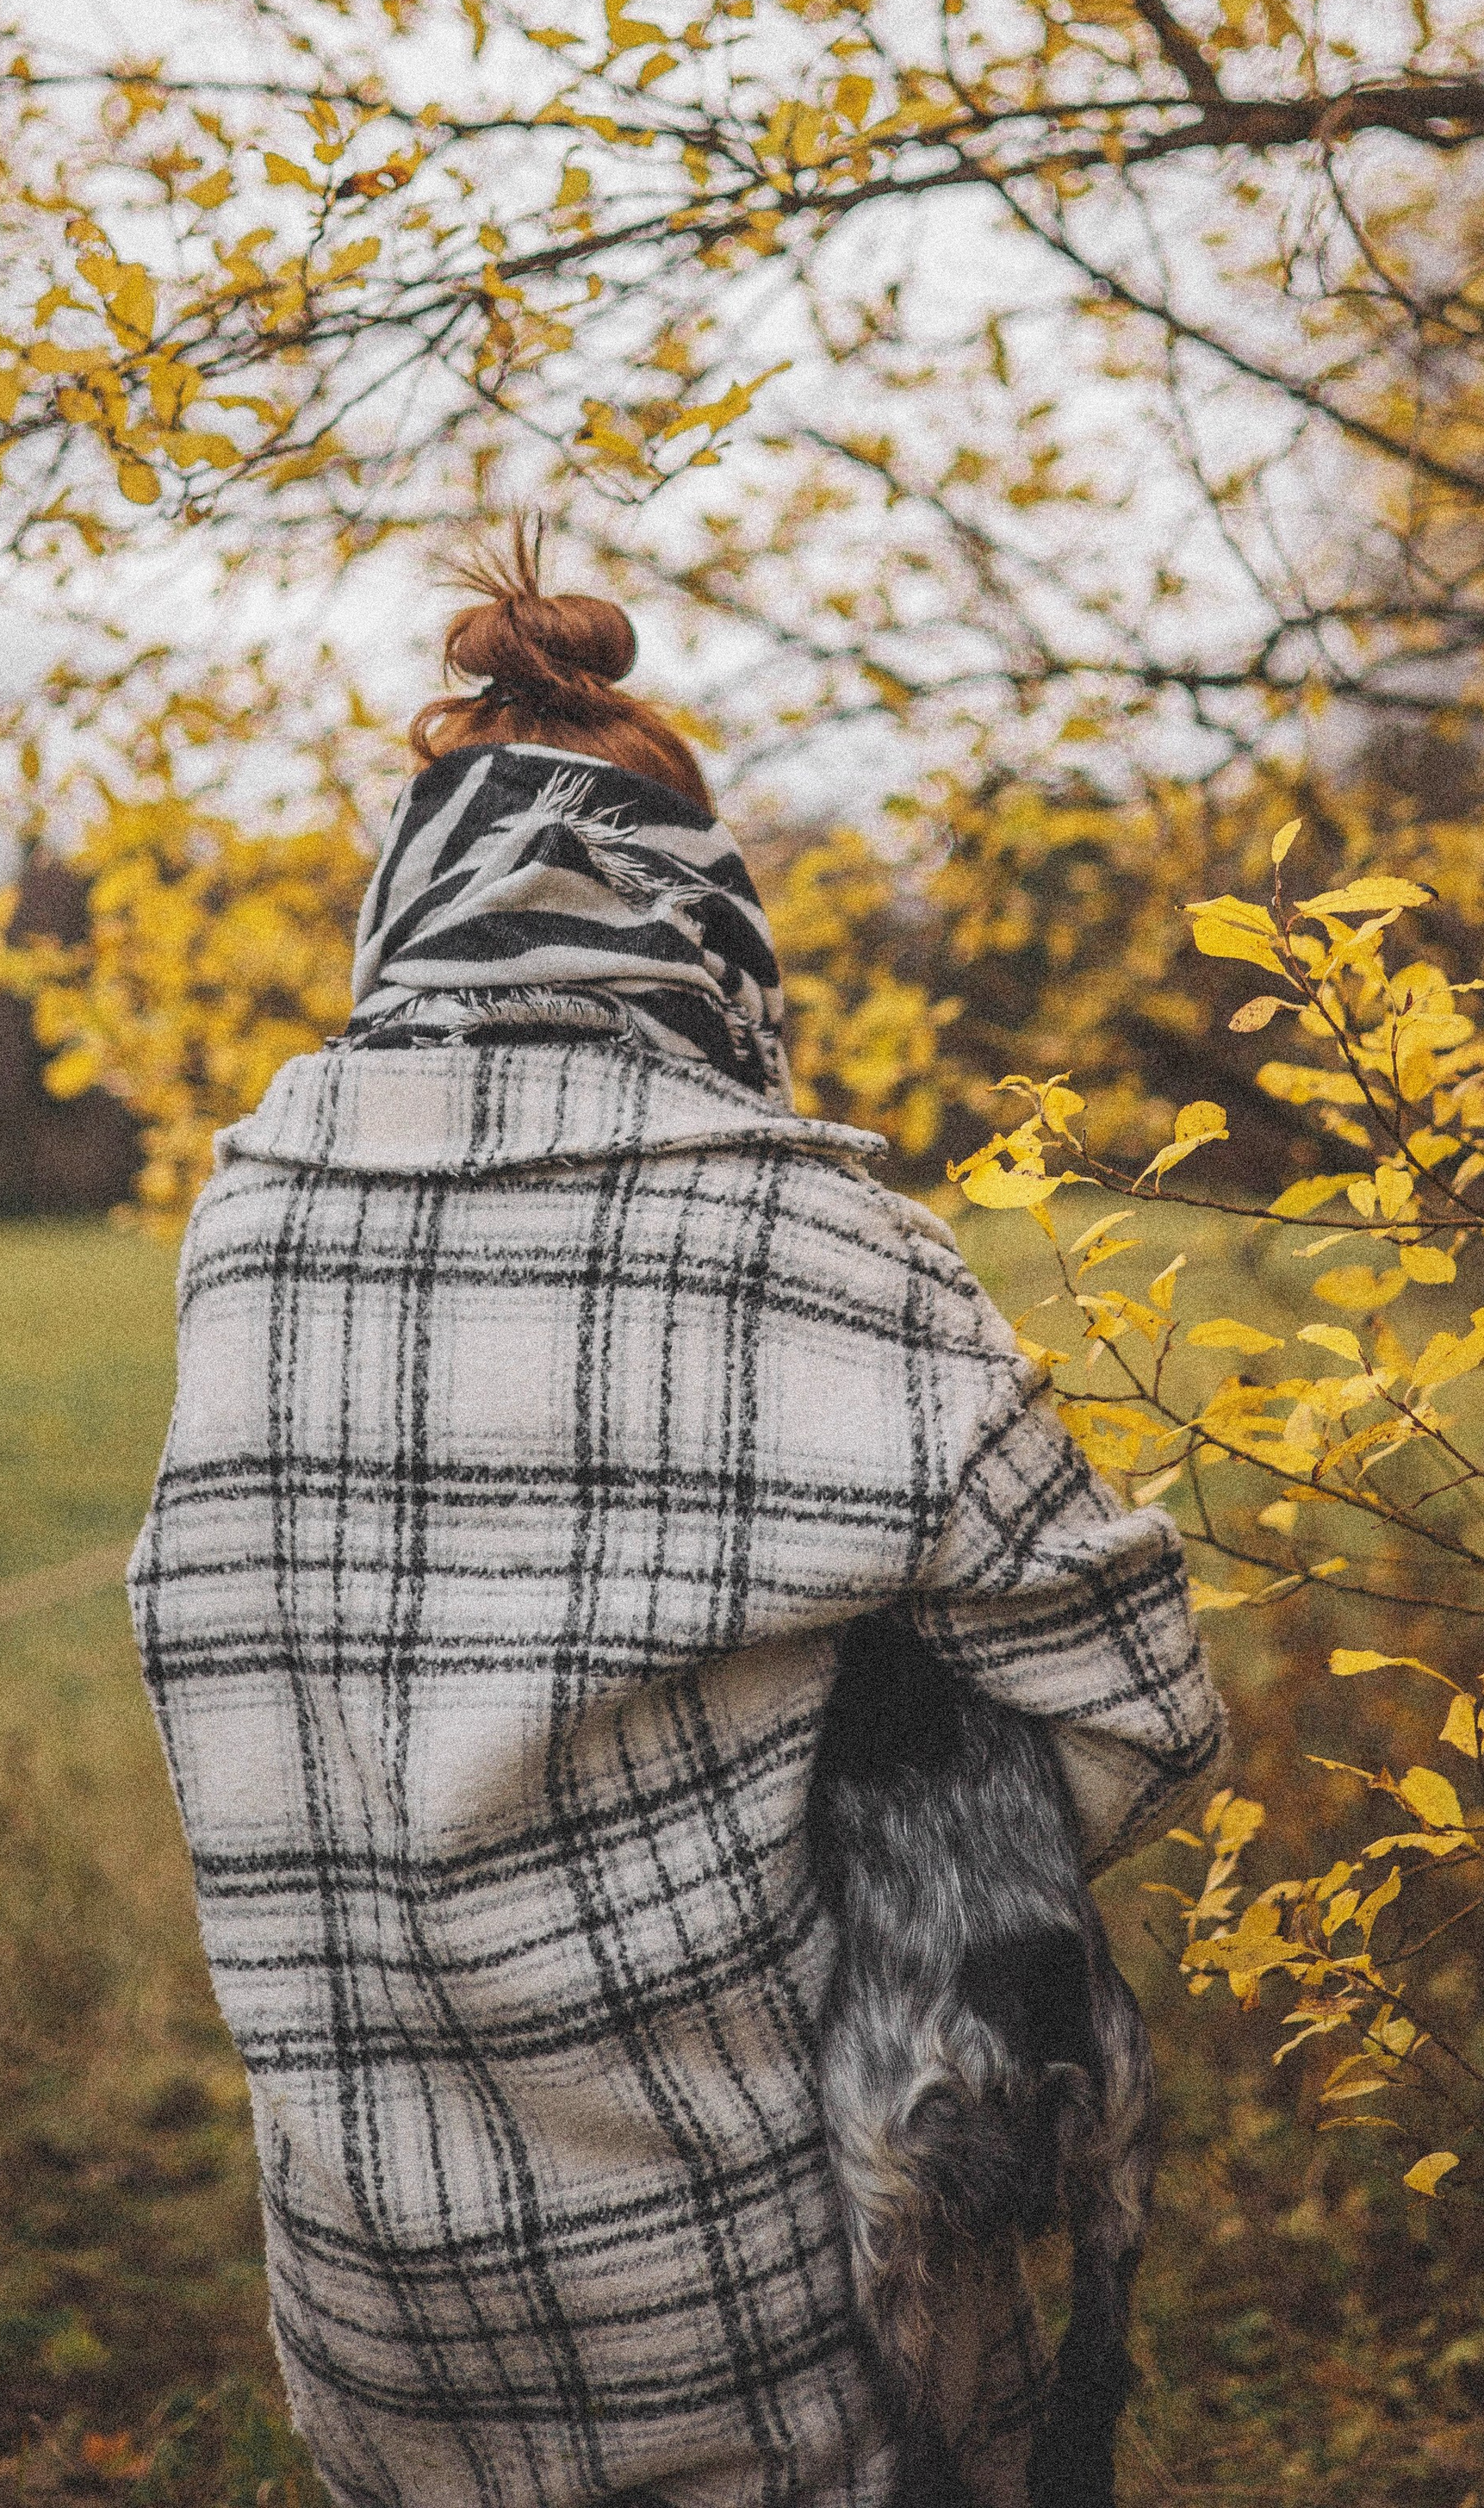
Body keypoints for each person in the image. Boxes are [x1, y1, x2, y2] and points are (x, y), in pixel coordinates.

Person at [128, 533, 1225, 2508]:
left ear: (414, 903)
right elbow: (1137, 1699)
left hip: (374, 2329)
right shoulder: (816, 1247)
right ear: (699, 918)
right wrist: (881, 1811)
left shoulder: (248, 1229)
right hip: (774, 2331)